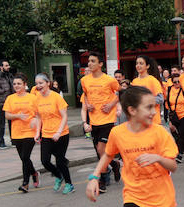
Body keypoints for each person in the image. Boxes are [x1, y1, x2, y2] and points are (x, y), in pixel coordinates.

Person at [80, 52, 121, 193]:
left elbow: (120, 92)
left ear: (100, 64)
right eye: (88, 61)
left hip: (108, 119)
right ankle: (114, 164)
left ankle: (103, 179)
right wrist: (88, 104)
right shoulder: (85, 80)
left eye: (92, 61)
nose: (89, 64)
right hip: (94, 120)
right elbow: (84, 94)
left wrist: (111, 105)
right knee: (100, 152)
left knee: (101, 149)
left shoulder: (109, 80)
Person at [33, 73, 74, 194]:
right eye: (36, 84)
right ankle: (58, 175)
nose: (38, 86)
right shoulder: (37, 99)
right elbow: (38, 118)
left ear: (48, 83)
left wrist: (58, 132)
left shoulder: (56, 97)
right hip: (46, 134)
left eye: (41, 83)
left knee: (60, 161)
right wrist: (37, 133)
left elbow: (64, 116)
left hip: (61, 134)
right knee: (45, 161)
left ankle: (69, 184)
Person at [3, 75, 40, 193]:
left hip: (30, 131)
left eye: (19, 83)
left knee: (25, 157)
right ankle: (34, 172)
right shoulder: (10, 98)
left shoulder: (33, 98)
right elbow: (7, 115)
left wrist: (36, 121)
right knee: (24, 158)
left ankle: (25, 184)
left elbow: (39, 114)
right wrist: (18, 116)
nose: (16, 86)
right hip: (16, 132)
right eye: (14, 84)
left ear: (24, 84)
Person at [131, 56, 165, 125]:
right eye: (137, 63)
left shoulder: (153, 80)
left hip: (153, 120)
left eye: (141, 63)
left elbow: (160, 99)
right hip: (139, 120)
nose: (138, 65)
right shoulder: (134, 81)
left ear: (147, 66)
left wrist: (144, 102)